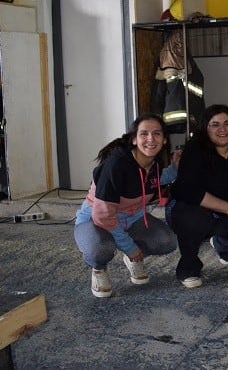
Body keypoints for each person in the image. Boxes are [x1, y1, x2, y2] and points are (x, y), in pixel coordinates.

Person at [74, 114, 179, 298]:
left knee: (167, 241)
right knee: (101, 249)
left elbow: (155, 179)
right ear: (134, 139)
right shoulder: (116, 165)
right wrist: (130, 247)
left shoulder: (152, 162)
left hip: (133, 218)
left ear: (164, 140)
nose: (150, 139)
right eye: (144, 133)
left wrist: (175, 169)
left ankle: (133, 259)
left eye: (156, 134)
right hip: (95, 220)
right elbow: (103, 216)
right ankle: (99, 269)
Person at [167, 104, 228, 288]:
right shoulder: (194, 150)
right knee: (194, 219)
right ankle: (188, 267)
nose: (222, 129)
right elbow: (189, 191)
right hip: (191, 209)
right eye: (215, 124)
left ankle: (222, 245)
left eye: (227, 123)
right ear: (205, 128)